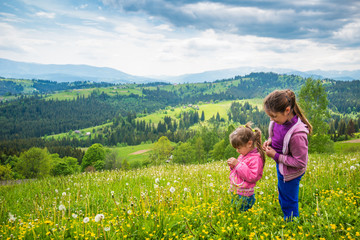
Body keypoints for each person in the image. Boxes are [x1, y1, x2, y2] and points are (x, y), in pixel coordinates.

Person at [263, 89, 312, 220]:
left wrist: (275, 155)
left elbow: (300, 163)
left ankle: (291, 223)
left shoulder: (297, 135)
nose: (271, 119)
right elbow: (277, 136)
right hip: (282, 167)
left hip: (292, 172)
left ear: (287, 110)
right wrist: (269, 142)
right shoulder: (278, 122)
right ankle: (287, 216)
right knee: (283, 194)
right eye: (270, 116)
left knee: (289, 200)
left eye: (274, 116)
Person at [227, 122, 266, 211]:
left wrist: (237, 164)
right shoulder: (243, 155)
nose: (237, 151)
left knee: (241, 215)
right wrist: (233, 166)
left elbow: (252, 176)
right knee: (235, 214)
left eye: (239, 148)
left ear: (249, 144)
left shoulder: (256, 158)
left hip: (245, 196)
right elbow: (239, 171)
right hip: (236, 192)